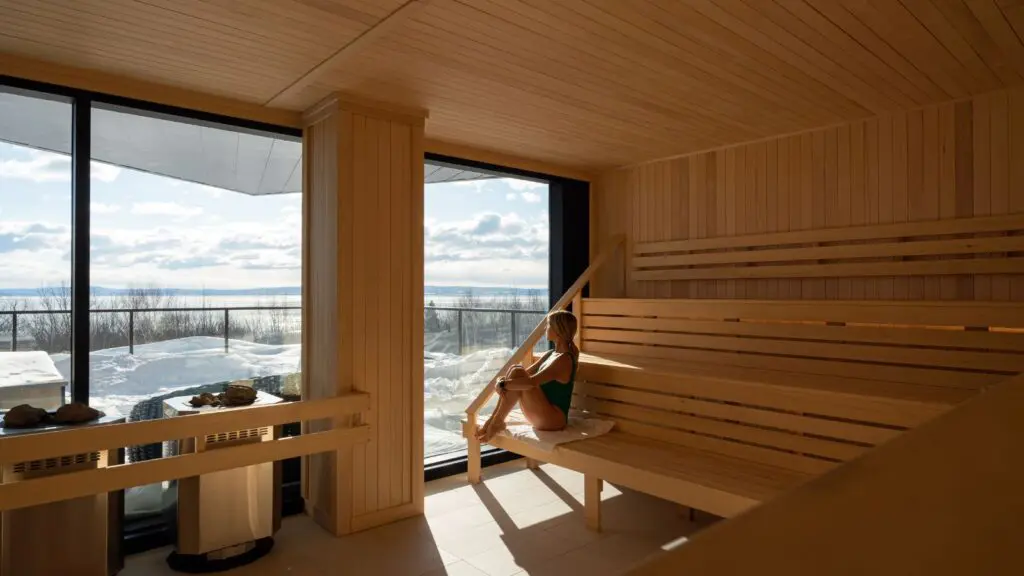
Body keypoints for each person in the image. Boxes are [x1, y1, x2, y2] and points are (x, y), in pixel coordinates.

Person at [475, 309, 578, 443]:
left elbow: (531, 382)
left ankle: (496, 422)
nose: (546, 328)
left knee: (517, 373)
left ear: (558, 330)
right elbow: (523, 373)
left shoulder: (564, 360)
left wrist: (503, 385)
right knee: (516, 369)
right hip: (541, 414)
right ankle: (494, 421)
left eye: (548, 325)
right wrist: (502, 381)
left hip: (553, 420)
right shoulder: (551, 354)